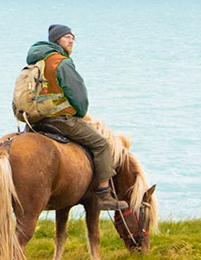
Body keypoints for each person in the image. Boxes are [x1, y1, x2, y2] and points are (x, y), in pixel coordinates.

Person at [25, 24, 128, 213]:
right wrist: (80, 113)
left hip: (35, 120)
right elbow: (78, 96)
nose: (71, 40)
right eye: (66, 37)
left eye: (73, 37)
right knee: (101, 144)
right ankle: (104, 194)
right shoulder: (61, 62)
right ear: (57, 40)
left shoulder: (37, 61)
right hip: (59, 119)